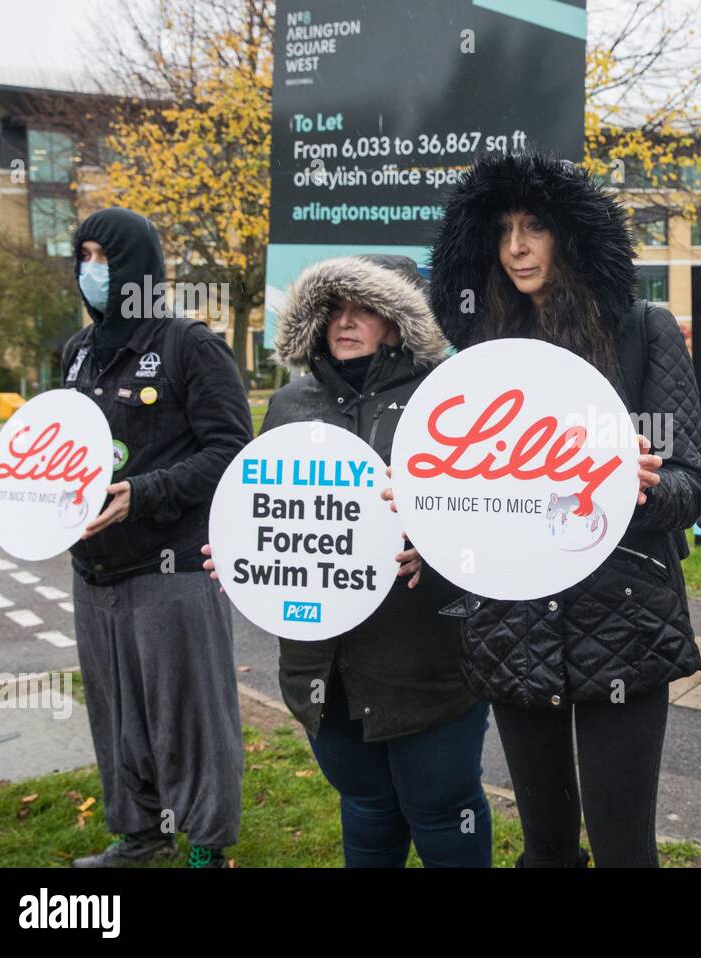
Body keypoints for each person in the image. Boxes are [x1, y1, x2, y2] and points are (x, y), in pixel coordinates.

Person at [420, 150, 701, 867]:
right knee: (546, 848)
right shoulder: (481, 355)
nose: (517, 248)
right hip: (514, 624)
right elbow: (467, 492)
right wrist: (427, 501)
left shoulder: (644, 330)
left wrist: (638, 486)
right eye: (505, 230)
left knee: (623, 850)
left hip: (624, 624)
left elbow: (691, 486)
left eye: (536, 227)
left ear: (571, 235)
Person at [0, 207, 252, 868]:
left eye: (105, 257)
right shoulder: (76, 353)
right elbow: (62, 450)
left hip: (172, 570)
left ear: (139, 266)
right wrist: (16, 485)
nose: (91, 270)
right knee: (120, 717)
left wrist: (146, 492)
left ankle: (206, 847)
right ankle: (141, 837)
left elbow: (233, 452)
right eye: (84, 256)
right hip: (95, 574)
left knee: (189, 720)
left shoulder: (190, 344)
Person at [205, 254, 492, 867]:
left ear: (400, 320)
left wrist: (438, 549)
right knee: (365, 807)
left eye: (367, 307)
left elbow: (493, 517)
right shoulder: (289, 403)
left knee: (442, 808)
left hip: (426, 660)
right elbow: (270, 508)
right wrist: (240, 553)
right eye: (333, 307)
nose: (346, 320)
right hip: (321, 669)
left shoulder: (446, 398)